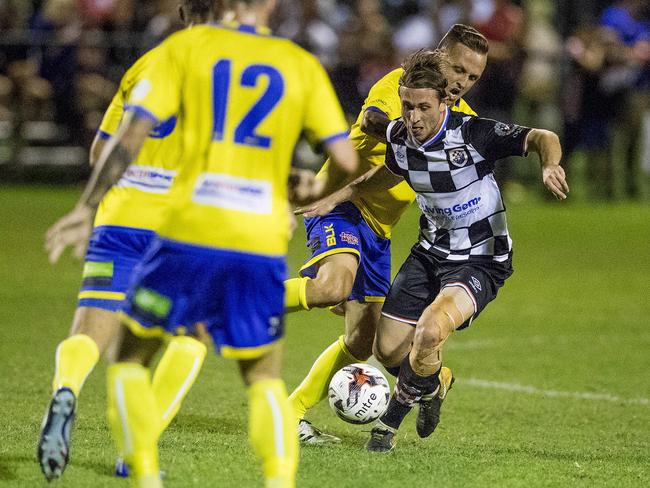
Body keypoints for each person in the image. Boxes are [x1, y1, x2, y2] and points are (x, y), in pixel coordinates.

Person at [44, 0, 358, 486]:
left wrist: (88, 206)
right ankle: (279, 480)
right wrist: (305, 187)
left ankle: (140, 467)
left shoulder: (181, 51)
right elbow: (344, 154)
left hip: (179, 222)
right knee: (257, 374)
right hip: (258, 234)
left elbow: (120, 141)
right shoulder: (298, 62)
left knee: (127, 354)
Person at [300, 48, 569, 452]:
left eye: (423, 107)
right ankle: (435, 383)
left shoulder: (475, 133)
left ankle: (388, 426)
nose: (413, 117)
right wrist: (341, 195)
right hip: (430, 253)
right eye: (407, 106)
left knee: (429, 329)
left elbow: (541, 137)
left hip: (481, 257)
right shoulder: (400, 135)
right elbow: (388, 172)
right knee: (386, 349)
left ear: (446, 101)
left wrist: (549, 165)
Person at [37, 1, 223, 480]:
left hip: (120, 214)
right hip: (184, 224)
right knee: (193, 337)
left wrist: (86, 206)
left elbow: (104, 147)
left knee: (90, 330)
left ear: (183, 12)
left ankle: (67, 392)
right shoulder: (236, 73)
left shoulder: (151, 63)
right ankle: (138, 445)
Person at [285, 24, 489, 444]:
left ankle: (434, 380)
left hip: (378, 229)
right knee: (332, 286)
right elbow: (375, 120)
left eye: (472, 78)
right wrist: (414, 132)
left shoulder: (462, 120)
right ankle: (236, 301)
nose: (460, 83)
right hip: (340, 203)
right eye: (456, 69)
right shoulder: (403, 87)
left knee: (364, 343)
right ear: (438, 57)